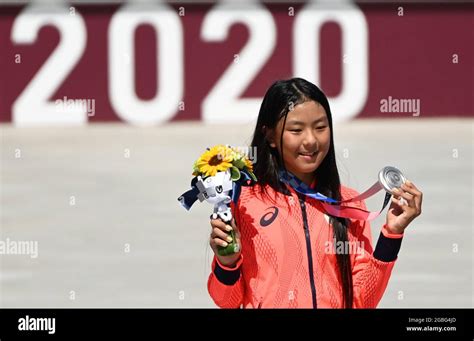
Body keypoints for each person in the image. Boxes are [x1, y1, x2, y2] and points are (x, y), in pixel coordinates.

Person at [207, 78, 423, 308]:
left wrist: (392, 234)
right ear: (269, 136)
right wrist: (226, 263)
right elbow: (227, 301)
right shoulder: (244, 203)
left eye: (320, 127)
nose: (310, 141)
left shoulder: (349, 205)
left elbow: (363, 300)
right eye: (296, 130)